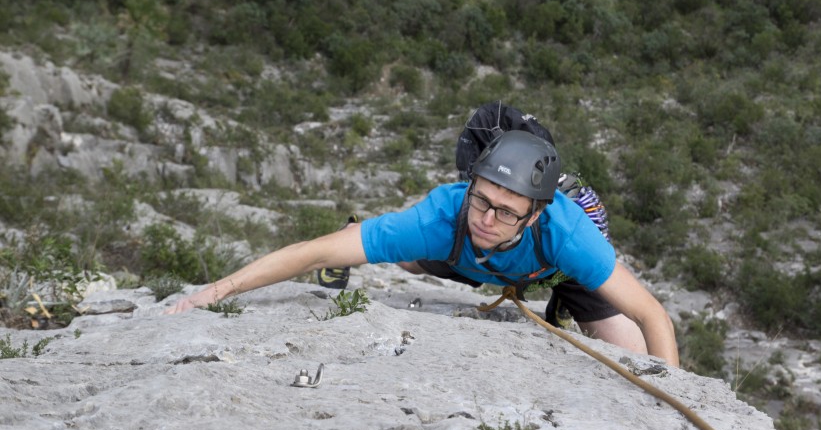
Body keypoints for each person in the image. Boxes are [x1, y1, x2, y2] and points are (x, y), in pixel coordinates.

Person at [166, 130, 680, 368]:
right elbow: (313, 254)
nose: (486, 217)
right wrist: (216, 292)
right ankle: (368, 234)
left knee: (630, 352)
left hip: (551, 269)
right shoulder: (446, 216)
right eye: (481, 199)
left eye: (505, 211)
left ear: (535, 214)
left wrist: (675, 403)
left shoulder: (569, 237)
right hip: (465, 256)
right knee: (408, 252)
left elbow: (654, 317)